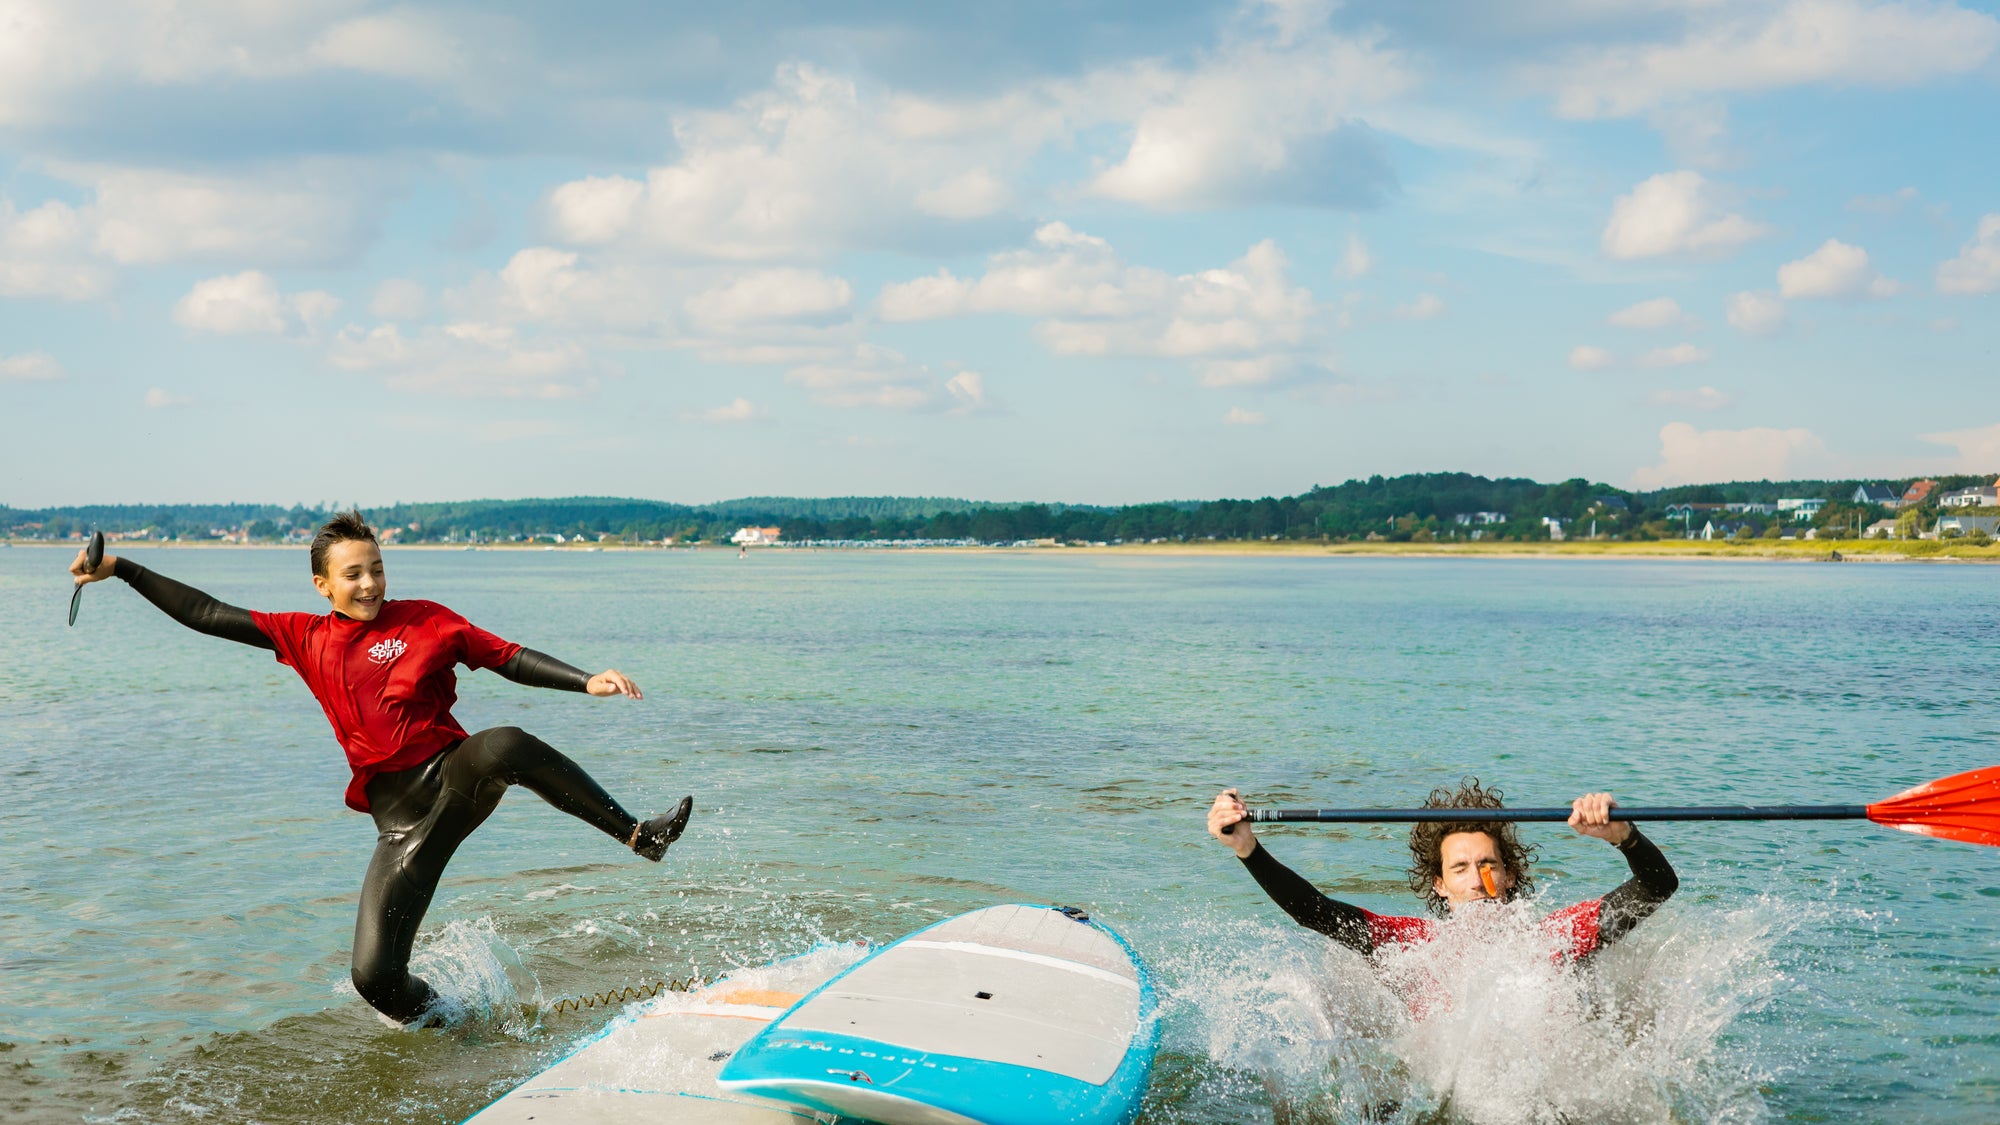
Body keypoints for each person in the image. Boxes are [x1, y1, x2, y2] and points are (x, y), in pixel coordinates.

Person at [70, 511, 695, 1026]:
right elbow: (206, 614)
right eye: (353, 574)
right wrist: (122, 569)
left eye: (377, 569)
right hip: (399, 824)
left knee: (503, 742)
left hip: (453, 774)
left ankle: (640, 836)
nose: (369, 584)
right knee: (373, 979)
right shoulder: (304, 637)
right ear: (323, 585)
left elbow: (505, 656)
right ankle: (456, 1029)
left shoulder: (426, 619)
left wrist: (586, 680)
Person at [1206, 779, 1676, 960]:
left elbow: (1657, 886)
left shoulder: (1555, 936)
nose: (1477, 879)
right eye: (1462, 868)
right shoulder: (1410, 942)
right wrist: (1248, 848)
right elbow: (1314, 911)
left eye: (1489, 864)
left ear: (1509, 875)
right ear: (1441, 884)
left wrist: (1623, 836)